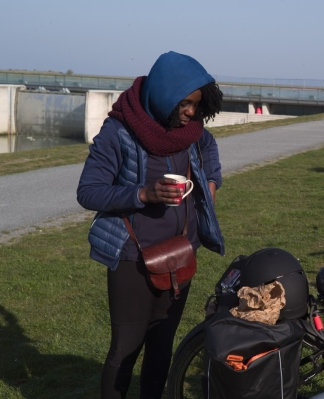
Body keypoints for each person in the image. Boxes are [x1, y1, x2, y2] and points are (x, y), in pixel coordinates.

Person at [77, 51, 225, 398]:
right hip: (133, 257)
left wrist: (212, 185)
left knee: (162, 344)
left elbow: (210, 148)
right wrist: (143, 193)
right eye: (185, 104)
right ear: (164, 95)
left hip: (181, 251)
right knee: (126, 347)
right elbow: (88, 191)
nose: (191, 113)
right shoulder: (119, 132)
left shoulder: (191, 131)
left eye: (197, 105)